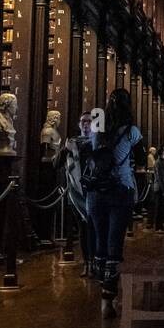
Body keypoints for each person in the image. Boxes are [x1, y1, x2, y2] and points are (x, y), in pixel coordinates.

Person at [86, 88, 142, 315]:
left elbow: (91, 147)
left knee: (99, 240)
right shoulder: (132, 131)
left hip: (97, 190)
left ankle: (103, 289)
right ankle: (108, 299)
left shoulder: (98, 121)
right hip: (121, 189)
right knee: (114, 243)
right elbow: (139, 159)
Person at [55, 111, 95, 275]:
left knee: (94, 229)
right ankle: (87, 263)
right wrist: (66, 149)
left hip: (93, 192)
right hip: (76, 194)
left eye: (89, 121)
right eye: (83, 121)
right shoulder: (72, 142)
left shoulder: (95, 143)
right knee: (83, 230)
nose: (86, 124)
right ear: (79, 124)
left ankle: (95, 262)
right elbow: (56, 164)